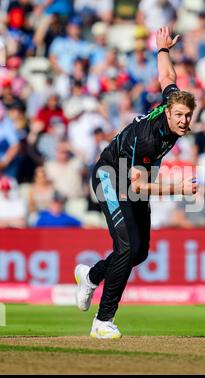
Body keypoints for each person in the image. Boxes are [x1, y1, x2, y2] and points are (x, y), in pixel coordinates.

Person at [74, 26, 197, 339]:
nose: (184, 121)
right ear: (168, 113)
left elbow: (167, 78)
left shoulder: (171, 106)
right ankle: (103, 322)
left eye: (188, 115)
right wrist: (178, 188)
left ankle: (91, 276)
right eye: (179, 115)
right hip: (109, 176)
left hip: (133, 179)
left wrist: (162, 49)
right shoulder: (148, 140)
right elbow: (138, 186)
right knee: (127, 247)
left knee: (139, 252)